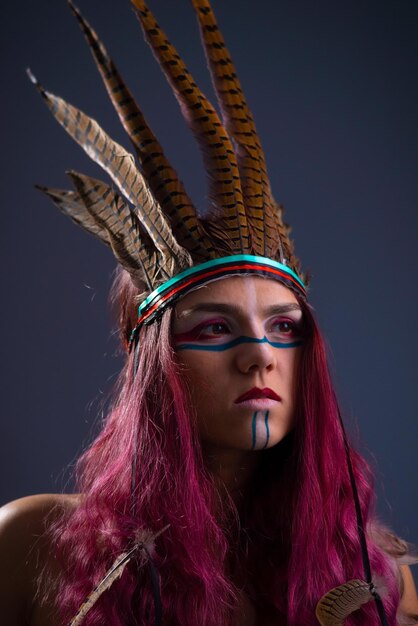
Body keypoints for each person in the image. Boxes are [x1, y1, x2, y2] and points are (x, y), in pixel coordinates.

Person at [0, 1, 416, 624]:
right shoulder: (32, 545)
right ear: (149, 360)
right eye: (215, 328)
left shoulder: (374, 582)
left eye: (284, 327)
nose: (260, 357)